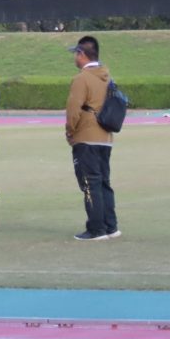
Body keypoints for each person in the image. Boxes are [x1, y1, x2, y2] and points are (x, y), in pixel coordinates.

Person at [65, 35, 120, 241]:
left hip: (86, 136)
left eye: (76, 54)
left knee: (90, 184)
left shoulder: (82, 79)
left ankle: (96, 229)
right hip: (105, 136)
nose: (75, 58)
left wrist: (70, 131)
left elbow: (73, 110)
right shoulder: (107, 77)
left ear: (82, 54)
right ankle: (110, 226)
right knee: (103, 182)